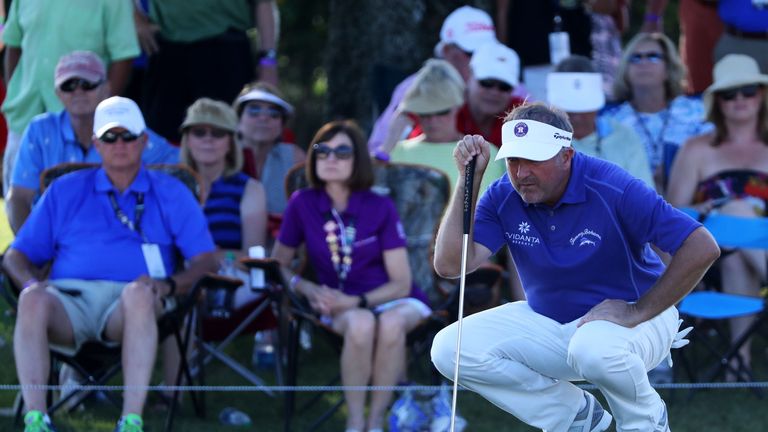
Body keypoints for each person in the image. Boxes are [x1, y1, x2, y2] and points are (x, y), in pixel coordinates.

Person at [430, 102, 720, 431]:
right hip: (552, 321)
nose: (522, 173)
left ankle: (647, 421)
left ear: (566, 156)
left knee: (593, 347)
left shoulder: (612, 185)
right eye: (513, 160)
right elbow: (450, 264)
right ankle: (575, 417)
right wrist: (468, 181)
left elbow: (701, 246)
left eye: (534, 160)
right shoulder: (503, 194)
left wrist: (637, 311)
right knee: (448, 349)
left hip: (638, 320)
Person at [4, 96, 217, 432]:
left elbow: (207, 259)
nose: (119, 144)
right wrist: (30, 284)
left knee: (139, 295)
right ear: (96, 144)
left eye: (128, 136)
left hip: (133, 304)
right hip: (68, 304)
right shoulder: (64, 190)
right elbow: (16, 255)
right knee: (32, 300)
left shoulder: (171, 192)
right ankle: (36, 419)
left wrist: (172, 285)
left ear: (145, 141)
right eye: (109, 137)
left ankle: (130, 421)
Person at [272, 120, 431, 432]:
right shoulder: (302, 203)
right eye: (322, 151)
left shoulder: (379, 205)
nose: (330, 158)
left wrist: (355, 300)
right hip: (338, 304)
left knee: (388, 322)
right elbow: (278, 264)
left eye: (342, 151)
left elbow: (401, 283)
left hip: (393, 299)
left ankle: (376, 421)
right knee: (360, 323)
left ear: (357, 158)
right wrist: (306, 288)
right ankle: (355, 423)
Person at [667, 54, 768, 376]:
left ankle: (739, 365)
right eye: (729, 94)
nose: (739, 99)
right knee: (737, 209)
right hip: (711, 249)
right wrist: (703, 210)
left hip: (756, 247)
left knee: (740, 254)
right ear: (718, 102)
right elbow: (672, 213)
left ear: (761, 95)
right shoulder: (696, 148)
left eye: (747, 91)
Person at [6, 51, 179, 234]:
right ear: (58, 93)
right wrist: (32, 248)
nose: (78, 91)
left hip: (117, 238)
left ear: (106, 88)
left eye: (87, 84)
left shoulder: (130, 132)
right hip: (51, 238)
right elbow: (18, 199)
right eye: (68, 85)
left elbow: (182, 170)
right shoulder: (40, 130)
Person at [1, 0, 139, 195]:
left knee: (84, 212)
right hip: (23, 118)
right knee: (19, 206)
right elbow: (13, 44)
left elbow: (123, 56)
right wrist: (15, 89)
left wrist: (102, 114)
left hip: (82, 131)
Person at [137, 0, 279, 142]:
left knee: (226, 139)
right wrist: (135, 17)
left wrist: (268, 62)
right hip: (166, 50)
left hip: (226, 49)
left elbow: (264, 4)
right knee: (162, 142)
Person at [367, 5, 499, 157]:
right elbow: (377, 148)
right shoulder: (417, 87)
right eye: (472, 52)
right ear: (447, 51)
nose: (481, 59)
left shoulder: (508, 85)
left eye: (488, 51)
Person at [602, 32, 713, 192]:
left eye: (653, 56)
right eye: (635, 58)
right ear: (625, 70)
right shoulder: (609, 120)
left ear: (669, 68)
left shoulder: (696, 112)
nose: (643, 63)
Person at [390, 59, 506, 193]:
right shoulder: (397, 151)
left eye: (442, 111)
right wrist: (391, 138)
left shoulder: (484, 152)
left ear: (457, 107)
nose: (433, 120)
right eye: (425, 113)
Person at [547, 55, 653, 186]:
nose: (577, 115)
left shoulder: (625, 138)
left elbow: (645, 199)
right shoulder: (538, 140)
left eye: (584, 106)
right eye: (569, 108)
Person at [234, 81, 305, 240]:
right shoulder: (221, 154)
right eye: (254, 110)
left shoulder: (294, 157)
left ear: (282, 125)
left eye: (274, 113)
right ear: (238, 120)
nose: (264, 117)